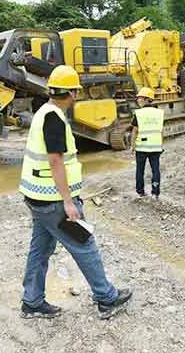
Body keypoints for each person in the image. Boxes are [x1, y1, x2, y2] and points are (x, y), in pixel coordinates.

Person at [19, 65, 132, 320]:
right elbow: (56, 161)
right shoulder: (54, 119)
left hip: (37, 197)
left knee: (40, 251)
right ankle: (107, 299)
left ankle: (32, 301)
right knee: (84, 245)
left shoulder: (43, 112)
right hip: (54, 200)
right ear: (72, 93)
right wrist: (68, 202)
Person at [130, 87, 164, 199]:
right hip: (156, 147)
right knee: (155, 170)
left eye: (139, 98)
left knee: (140, 170)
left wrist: (132, 146)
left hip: (142, 147)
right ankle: (155, 193)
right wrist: (161, 144)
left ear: (145, 99)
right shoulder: (159, 113)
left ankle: (140, 192)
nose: (137, 100)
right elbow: (161, 130)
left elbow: (134, 131)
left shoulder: (139, 113)